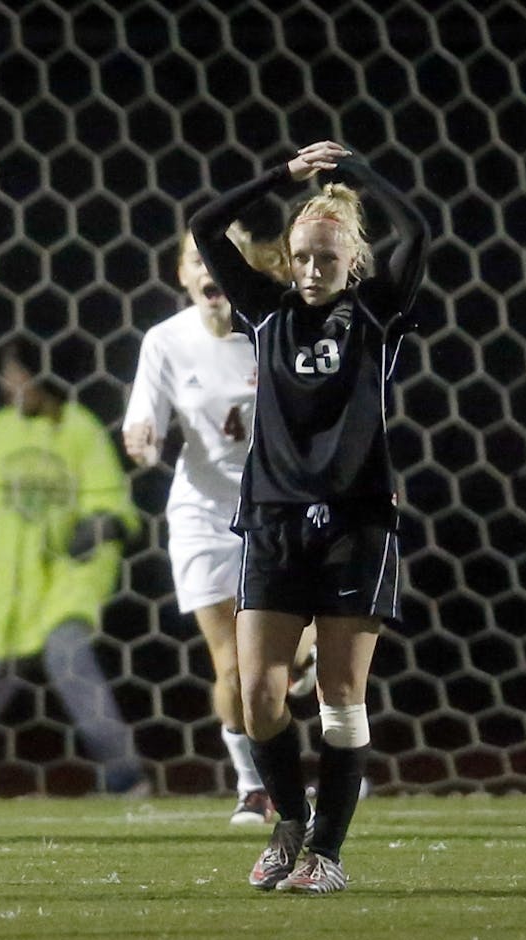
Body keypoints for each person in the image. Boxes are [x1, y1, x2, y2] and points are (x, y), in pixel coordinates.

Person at [189, 140, 427, 895]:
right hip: (272, 519)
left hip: (357, 523)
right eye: (302, 256)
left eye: (328, 257)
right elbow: (204, 227)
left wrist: (357, 175)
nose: (314, 269)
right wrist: (284, 177)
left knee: (338, 696)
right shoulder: (266, 312)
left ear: (352, 258)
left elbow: (416, 231)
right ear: (287, 257)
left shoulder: (377, 313)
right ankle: (289, 823)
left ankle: (328, 852)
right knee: (258, 692)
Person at [0, 339, 148, 796]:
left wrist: (99, 526)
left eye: (17, 374)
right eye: (7, 376)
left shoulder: (79, 429)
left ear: (44, 377)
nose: (9, 385)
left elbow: (113, 501)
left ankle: (126, 776)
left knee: (69, 661)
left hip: (67, 578)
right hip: (12, 584)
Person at [123, 229, 289, 825]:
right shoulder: (166, 341)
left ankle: (316, 722)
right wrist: (141, 440)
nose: (211, 270)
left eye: (224, 259)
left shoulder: (275, 326)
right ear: (183, 274)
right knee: (234, 664)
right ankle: (253, 786)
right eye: (198, 259)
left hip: (280, 509)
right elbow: (145, 420)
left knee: (284, 658)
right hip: (204, 514)